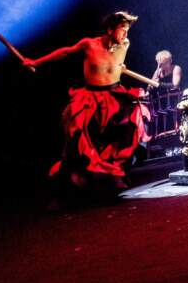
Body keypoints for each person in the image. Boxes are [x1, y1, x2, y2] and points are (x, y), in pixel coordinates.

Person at [22, 11, 148, 190]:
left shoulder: (124, 44)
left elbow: (115, 67)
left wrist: (119, 68)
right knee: (77, 139)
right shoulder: (89, 44)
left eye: (127, 30)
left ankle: (116, 173)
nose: (126, 34)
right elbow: (65, 52)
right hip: (91, 97)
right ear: (110, 30)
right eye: (122, 29)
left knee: (132, 127)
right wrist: (36, 62)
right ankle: (62, 188)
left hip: (114, 96)